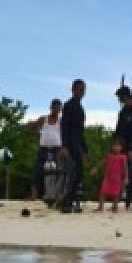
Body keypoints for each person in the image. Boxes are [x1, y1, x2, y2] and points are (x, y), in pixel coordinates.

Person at [59, 79, 88, 213]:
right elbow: (64, 126)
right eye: (79, 89)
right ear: (73, 89)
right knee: (71, 175)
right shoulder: (68, 105)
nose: (82, 92)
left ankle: (73, 202)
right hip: (69, 146)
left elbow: (81, 132)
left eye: (83, 89)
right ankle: (66, 203)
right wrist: (64, 146)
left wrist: (85, 151)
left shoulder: (81, 108)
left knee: (79, 174)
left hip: (77, 146)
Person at [113, 85, 132, 211]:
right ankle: (118, 199)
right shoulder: (122, 111)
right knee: (118, 172)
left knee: (131, 172)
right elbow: (118, 128)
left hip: (131, 145)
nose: (119, 100)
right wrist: (114, 143)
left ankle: (129, 201)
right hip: (120, 145)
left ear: (125, 96)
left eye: (120, 97)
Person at [28, 99, 63, 202]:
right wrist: (38, 135)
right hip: (44, 148)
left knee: (58, 171)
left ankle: (56, 195)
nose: (57, 110)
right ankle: (34, 195)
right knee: (37, 170)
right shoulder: (44, 119)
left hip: (57, 149)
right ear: (51, 108)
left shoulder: (61, 121)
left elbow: (66, 134)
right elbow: (31, 126)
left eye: (59, 109)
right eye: (55, 108)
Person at [90, 137, 129, 212]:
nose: (116, 148)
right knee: (102, 192)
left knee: (116, 194)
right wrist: (95, 168)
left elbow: (125, 168)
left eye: (118, 146)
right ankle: (100, 207)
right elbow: (102, 163)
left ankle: (115, 207)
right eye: (115, 145)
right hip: (107, 177)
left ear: (121, 147)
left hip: (117, 178)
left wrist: (126, 177)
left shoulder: (123, 157)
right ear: (112, 146)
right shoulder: (109, 155)